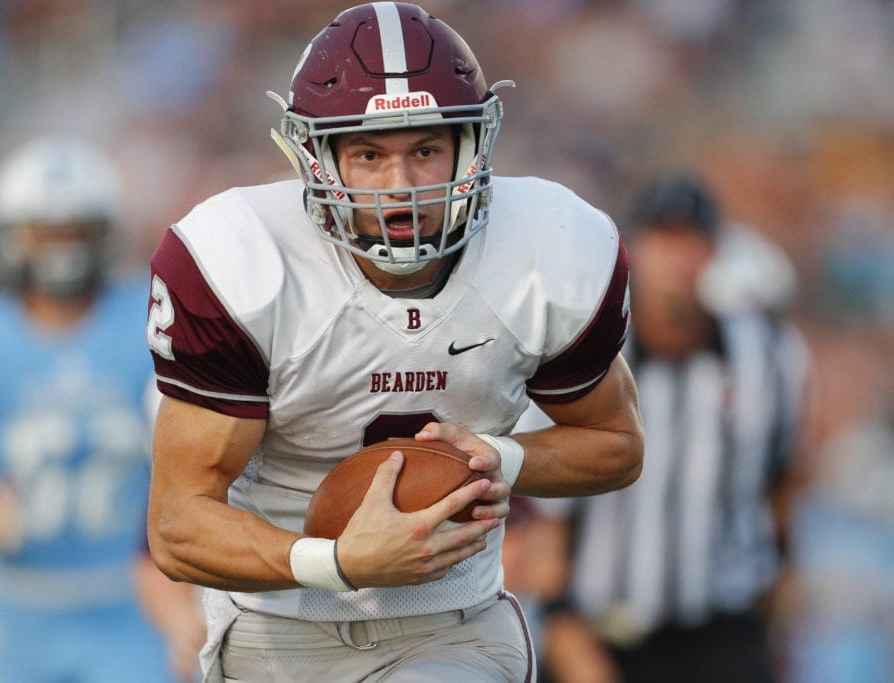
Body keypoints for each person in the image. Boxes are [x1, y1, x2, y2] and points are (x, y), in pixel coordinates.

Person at [144, 3, 643, 681]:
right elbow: (178, 524)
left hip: (451, 626)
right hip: (279, 631)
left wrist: (502, 457)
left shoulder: (546, 248)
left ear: (473, 147)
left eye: (426, 151)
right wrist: (339, 562)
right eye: (369, 154)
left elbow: (616, 443)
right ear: (317, 158)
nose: (399, 188)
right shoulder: (243, 264)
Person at [517, 171, 810, 683]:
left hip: (723, 628)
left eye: (688, 243)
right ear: (633, 251)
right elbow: (546, 518)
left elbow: (782, 484)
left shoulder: (769, 355)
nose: (674, 263)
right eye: (660, 242)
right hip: (602, 629)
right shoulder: (589, 350)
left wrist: (776, 607)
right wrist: (565, 631)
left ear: (713, 253)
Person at [0, 135, 171, 682]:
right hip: (16, 611)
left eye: (75, 232)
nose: (61, 250)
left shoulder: (148, 319)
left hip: (134, 598)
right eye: (44, 233)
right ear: (11, 238)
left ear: (104, 233)